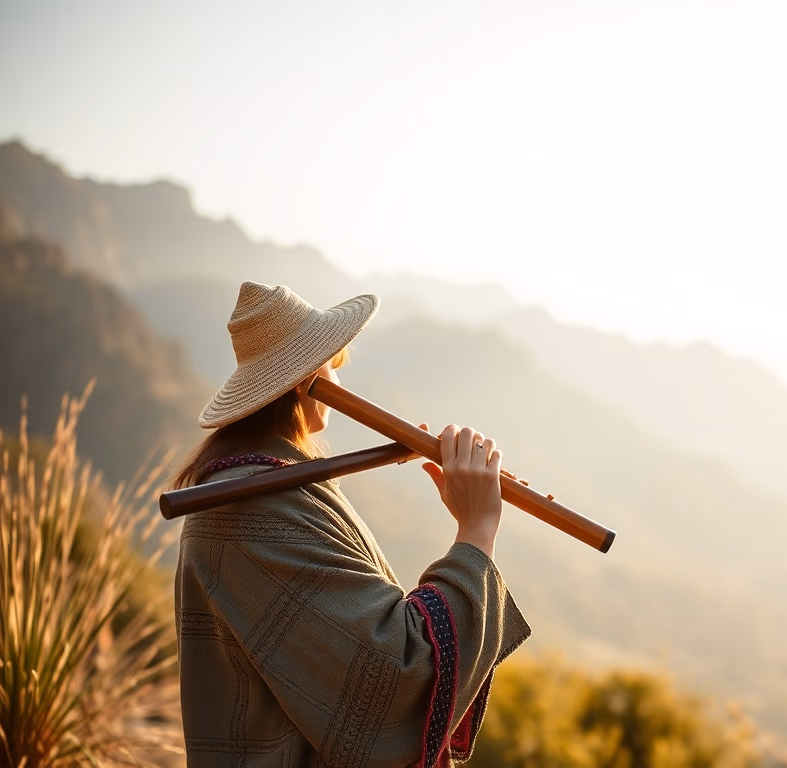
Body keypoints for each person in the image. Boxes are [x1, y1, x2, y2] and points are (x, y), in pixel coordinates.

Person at [172, 281, 529, 767]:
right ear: (305, 381)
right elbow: (396, 676)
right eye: (333, 368)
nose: (339, 385)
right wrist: (477, 531)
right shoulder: (251, 513)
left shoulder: (269, 488)